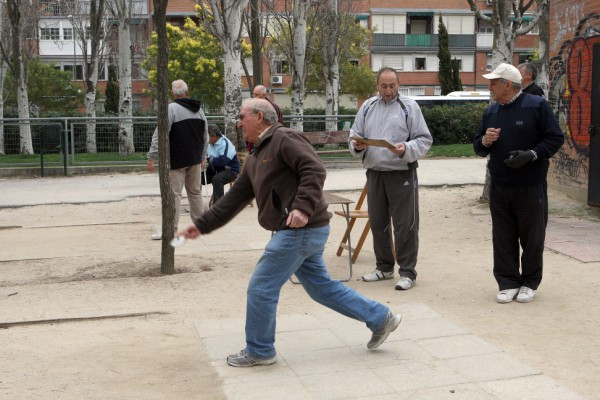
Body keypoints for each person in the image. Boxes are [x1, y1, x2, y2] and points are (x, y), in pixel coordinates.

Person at [177, 98, 401, 368]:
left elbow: (314, 169)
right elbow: (234, 199)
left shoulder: (284, 138)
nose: (238, 122)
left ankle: (259, 350)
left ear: (259, 117)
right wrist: (200, 225)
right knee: (322, 289)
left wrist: (303, 208)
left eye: (242, 116)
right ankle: (381, 317)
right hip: (301, 231)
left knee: (261, 286)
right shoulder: (258, 154)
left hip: (301, 230)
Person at [473, 63, 564, 304]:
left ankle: (529, 283)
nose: (490, 86)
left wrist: (532, 154)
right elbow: (478, 148)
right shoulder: (490, 112)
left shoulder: (536, 105)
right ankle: (508, 282)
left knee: (532, 237)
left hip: (530, 186)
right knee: (502, 237)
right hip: (500, 186)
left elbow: (555, 138)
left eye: (494, 82)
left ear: (508, 85)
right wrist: (485, 140)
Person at [348, 67, 433, 291]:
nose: (388, 90)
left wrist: (405, 148)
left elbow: (425, 139)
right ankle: (384, 267)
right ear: (377, 85)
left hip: (402, 172)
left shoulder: (409, 107)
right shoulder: (367, 106)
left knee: (405, 225)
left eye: (392, 85)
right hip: (374, 173)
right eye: (384, 86)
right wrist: (356, 145)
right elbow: (354, 134)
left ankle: (407, 272)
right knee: (378, 223)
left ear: (399, 83)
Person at [147, 79, 208, 240]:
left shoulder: (171, 109)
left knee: (174, 195)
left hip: (176, 160)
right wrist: (203, 156)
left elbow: (160, 133)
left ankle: (170, 229)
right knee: (195, 193)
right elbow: (205, 137)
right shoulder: (200, 111)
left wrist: (152, 155)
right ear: (187, 92)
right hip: (194, 159)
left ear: (173, 93)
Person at [203, 124, 240, 204]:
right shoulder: (209, 142)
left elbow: (222, 162)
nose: (205, 138)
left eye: (207, 136)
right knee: (196, 176)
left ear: (214, 136)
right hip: (216, 168)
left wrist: (208, 159)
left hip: (230, 170)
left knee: (217, 179)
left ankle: (218, 205)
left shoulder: (225, 143)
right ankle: (196, 203)